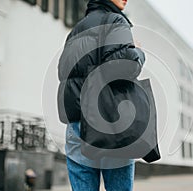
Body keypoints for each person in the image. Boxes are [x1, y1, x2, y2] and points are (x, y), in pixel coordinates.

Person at [58, 0, 145, 190]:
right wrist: (137, 51)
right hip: (110, 123)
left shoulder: (74, 32)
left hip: (76, 126)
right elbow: (126, 67)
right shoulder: (115, 21)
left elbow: (64, 76)